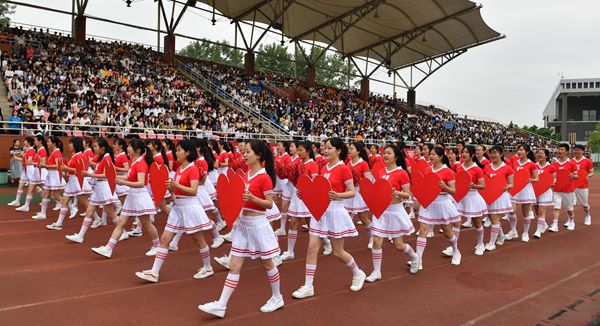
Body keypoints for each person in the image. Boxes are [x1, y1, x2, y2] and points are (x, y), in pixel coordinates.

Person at [198, 140, 283, 317]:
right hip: (243, 225)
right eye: (243, 152)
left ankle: (277, 297)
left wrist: (252, 197)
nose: (243, 155)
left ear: (258, 155)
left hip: (259, 225)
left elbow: (269, 204)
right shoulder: (246, 175)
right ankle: (221, 304)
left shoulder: (264, 177)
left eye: (248, 152)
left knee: (268, 263)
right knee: (234, 265)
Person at [292, 137, 366, 299]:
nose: (325, 150)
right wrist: (304, 193)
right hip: (320, 211)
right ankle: (308, 285)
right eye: (324, 148)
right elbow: (319, 191)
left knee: (338, 252)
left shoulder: (343, 169)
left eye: (329, 148)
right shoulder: (324, 168)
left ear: (338, 151)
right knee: (312, 248)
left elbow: (352, 191)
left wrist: (337, 195)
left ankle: (358, 273)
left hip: (335, 211)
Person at [135, 140, 215, 282]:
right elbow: (176, 190)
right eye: (176, 150)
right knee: (165, 239)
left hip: (190, 207)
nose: (176, 152)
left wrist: (176, 185)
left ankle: (208, 267)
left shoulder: (193, 169)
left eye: (179, 150)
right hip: (178, 207)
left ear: (188, 153)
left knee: (199, 240)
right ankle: (154, 272)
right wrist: (171, 190)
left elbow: (193, 191)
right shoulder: (180, 169)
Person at [91, 139, 160, 258]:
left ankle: (157, 246)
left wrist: (122, 182)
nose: (127, 148)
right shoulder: (134, 162)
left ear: (137, 150)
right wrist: (117, 177)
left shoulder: (141, 163)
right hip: (132, 195)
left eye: (130, 147)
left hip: (140, 196)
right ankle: (108, 248)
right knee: (121, 223)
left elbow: (141, 183)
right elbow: (131, 178)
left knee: (147, 223)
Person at [365, 144, 417, 282]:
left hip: (395, 211)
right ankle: (376, 272)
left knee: (398, 245)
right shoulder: (381, 172)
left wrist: (397, 192)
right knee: (376, 242)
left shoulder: (402, 173)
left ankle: (415, 257)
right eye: (384, 153)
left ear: (396, 156)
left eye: (389, 153)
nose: (385, 155)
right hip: (381, 210)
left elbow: (408, 195)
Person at [411, 147, 462, 273]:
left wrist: (444, 186)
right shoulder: (428, 169)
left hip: (442, 202)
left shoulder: (448, 171)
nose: (431, 156)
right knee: (423, 229)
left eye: (434, 154)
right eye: (431, 154)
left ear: (440, 156)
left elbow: (455, 191)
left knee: (447, 231)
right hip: (428, 202)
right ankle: (419, 259)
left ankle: (456, 251)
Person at [65, 138, 119, 243]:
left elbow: (106, 175)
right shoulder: (102, 158)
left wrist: (89, 174)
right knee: (89, 212)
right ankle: (80, 236)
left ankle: (123, 232)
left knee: (112, 214)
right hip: (99, 188)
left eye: (96, 146)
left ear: (102, 148)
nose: (94, 148)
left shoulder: (107, 158)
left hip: (103, 187)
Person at [281, 141, 319, 261]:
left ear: (307, 151)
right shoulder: (299, 164)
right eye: (298, 150)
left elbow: (315, 182)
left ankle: (327, 242)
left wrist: (307, 191)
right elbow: (296, 180)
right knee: (293, 223)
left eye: (301, 150)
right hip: (298, 196)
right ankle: (290, 251)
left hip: (308, 198)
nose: (299, 152)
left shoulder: (313, 164)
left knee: (311, 225)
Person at [46, 137, 93, 230]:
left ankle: (97, 218)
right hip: (72, 180)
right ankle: (59, 223)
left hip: (77, 181)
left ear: (75, 145)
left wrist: (66, 168)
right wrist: (66, 171)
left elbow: (81, 170)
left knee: (85, 202)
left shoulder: (79, 155)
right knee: (65, 201)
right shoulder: (75, 155)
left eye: (71, 143)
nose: (69, 145)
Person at [449, 146, 487, 256]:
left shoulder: (477, 169)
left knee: (477, 223)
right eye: (463, 152)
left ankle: (480, 244)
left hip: (473, 197)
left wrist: (473, 185)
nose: (464, 154)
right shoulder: (460, 167)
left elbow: (483, 186)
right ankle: (454, 247)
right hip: (461, 198)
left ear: (472, 155)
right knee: (456, 222)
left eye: (466, 152)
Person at [483, 145, 514, 252]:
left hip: (500, 196)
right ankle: (501, 236)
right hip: (489, 195)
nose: (493, 155)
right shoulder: (487, 167)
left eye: (495, 152)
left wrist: (507, 187)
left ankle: (491, 243)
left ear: (501, 154)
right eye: (491, 153)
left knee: (495, 218)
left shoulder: (507, 168)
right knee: (492, 218)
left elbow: (511, 184)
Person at [508, 144, 539, 242]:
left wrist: (530, 179)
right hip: (515, 188)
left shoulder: (532, 164)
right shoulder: (515, 163)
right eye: (518, 150)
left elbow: (537, 178)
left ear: (527, 152)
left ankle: (525, 233)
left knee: (525, 212)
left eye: (521, 150)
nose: (519, 151)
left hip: (526, 189)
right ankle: (513, 231)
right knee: (511, 210)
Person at [345, 142, 374, 248]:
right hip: (350, 191)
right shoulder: (348, 164)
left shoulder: (363, 164)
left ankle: (372, 237)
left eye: (352, 149)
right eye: (349, 149)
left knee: (363, 218)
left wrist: (362, 189)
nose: (349, 151)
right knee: (344, 215)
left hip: (360, 192)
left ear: (358, 151)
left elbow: (368, 179)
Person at [33, 136, 66, 220]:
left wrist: (45, 165)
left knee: (56, 195)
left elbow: (58, 165)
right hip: (50, 175)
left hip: (54, 175)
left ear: (54, 143)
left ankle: (71, 207)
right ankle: (43, 213)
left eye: (49, 142)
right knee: (46, 194)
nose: (47, 143)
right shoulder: (54, 152)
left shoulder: (56, 152)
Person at [550, 144, 578, 231]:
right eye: (559, 149)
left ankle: (572, 221)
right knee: (556, 207)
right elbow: (552, 176)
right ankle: (555, 225)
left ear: (566, 152)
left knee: (569, 208)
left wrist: (572, 176)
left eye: (562, 150)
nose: (559, 151)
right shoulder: (554, 164)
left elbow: (577, 176)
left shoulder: (571, 164)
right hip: (557, 189)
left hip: (568, 189)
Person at [532, 149, 555, 239]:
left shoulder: (551, 167)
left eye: (541, 153)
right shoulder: (534, 166)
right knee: (537, 211)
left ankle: (538, 231)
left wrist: (553, 183)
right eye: (538, 153)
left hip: (545, 191)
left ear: (546, 156)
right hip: (535, 191)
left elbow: (554, 179)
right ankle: (544, 224)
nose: (539, 154)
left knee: (541, 211)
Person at [571, 144, 593, 225]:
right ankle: (570, 220)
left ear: (582, 151)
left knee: (585, 204)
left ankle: (587, 215)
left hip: (583, 186)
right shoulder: (571, 161)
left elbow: (591, 172)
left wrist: (587, 176)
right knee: (571, 204)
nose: (576, 151)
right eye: (575, 150)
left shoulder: (587, 161)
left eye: (578, 150)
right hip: (572, 186)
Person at [8, 138, 31, 207]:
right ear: (14, 143)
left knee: (34, 187)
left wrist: (17, 155)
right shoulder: (12, 148)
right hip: (15, 161)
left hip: (23, 164)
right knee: (14, 171)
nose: (19, 143)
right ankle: (17, 201)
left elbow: (22, 155)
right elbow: (12, 153)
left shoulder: (29, 150)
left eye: (25, 142)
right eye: (17, 142)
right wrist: (19, 154)